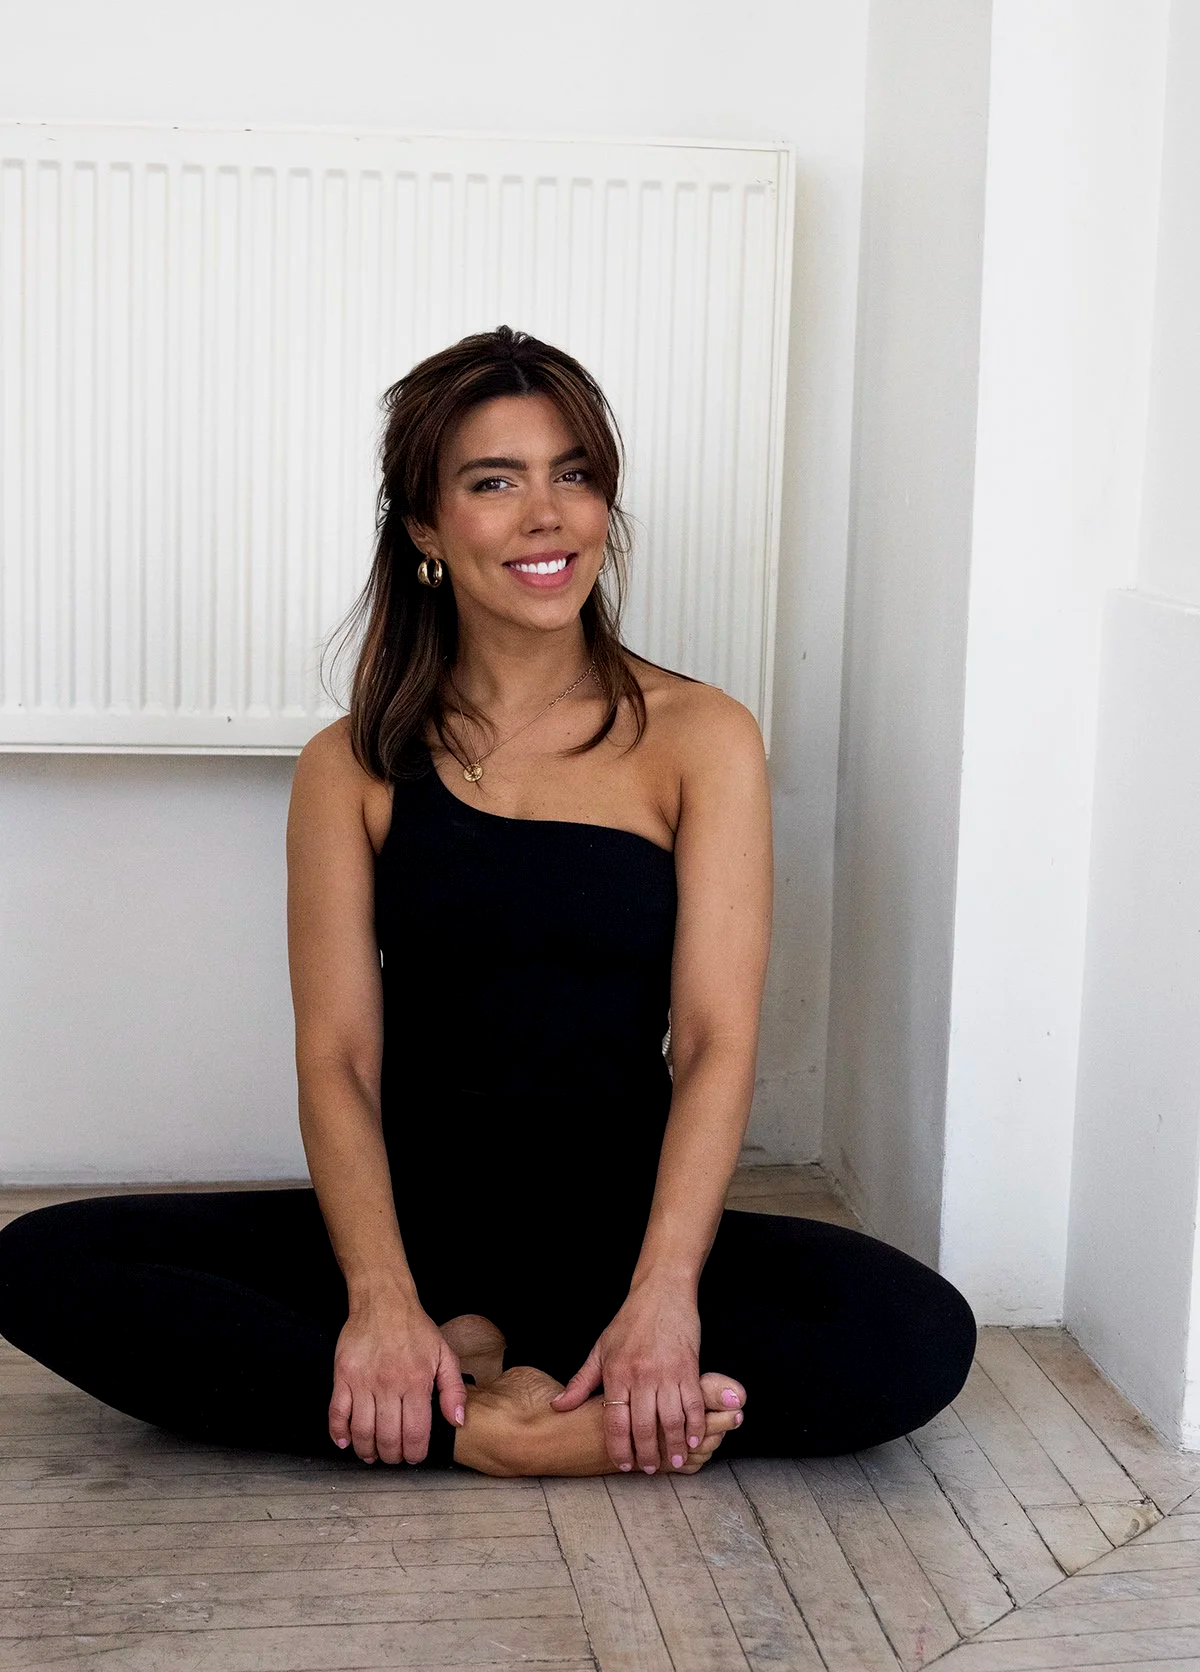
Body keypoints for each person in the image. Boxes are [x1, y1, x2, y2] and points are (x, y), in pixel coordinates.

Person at [0, 326, 976, 1477]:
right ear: (424, 526)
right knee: (39, 1264)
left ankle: (468, 1396)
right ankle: (510, 1407)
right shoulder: (351, 764)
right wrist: (379, 1297)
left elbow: (715, 1040)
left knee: (917, 1336)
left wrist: (666, 1294)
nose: (546, 514)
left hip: (621, 1230)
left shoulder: (701, 739)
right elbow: (340, 1064)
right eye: (494, 482)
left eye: (574, 473)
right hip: (410, 1228)